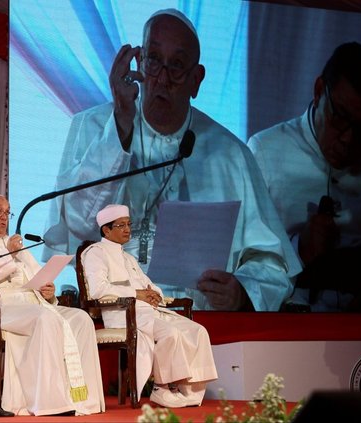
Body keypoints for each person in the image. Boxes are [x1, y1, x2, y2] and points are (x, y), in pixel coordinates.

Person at [44, 8, 301, 312]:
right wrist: (121, 126)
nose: (162, 78)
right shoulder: (91, 127)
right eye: (153, 60)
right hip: (106, 324)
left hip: (197, 327)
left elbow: (273, 262)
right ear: (139, 63)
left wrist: (244, 291)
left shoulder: (231, 155)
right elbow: (76, 223)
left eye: (176, 66)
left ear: (196, 79)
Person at [247, 42, 361, 312]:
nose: (348, 138)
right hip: (290, 330)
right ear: (318, 91)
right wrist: (300, 250)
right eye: (340, 118)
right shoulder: (265, 152)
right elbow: (244, 267)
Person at [0, 194, 105, 416]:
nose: (4, 217)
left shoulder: (13, 242)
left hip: (27, 305)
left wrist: (48, 292)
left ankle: (83, 400)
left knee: (80, 319)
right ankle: (49, 403)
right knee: (44, 318)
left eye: (7, 212)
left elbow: (36, 276)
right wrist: (9, 254)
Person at [82, 204, 218, 408]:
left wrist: (155, 295)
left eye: (129, 224)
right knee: (169, 333)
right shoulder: (96, 253)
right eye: (121, 225)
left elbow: (147, 283)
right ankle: (162, 388)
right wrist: (137, 294)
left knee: (197, 331)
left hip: (149, 311)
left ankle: (189, 390)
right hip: (123, 313)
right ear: (106, 230)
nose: (127, 229)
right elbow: (98, 290)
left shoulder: (128, 257)